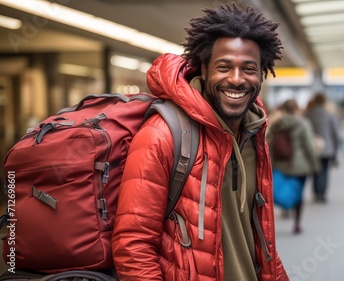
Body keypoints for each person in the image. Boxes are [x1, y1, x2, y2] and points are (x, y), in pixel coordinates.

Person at [112, 4, 289, 280]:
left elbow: (258, 237)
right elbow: (133, 246)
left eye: (249, 68)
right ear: (204, 70)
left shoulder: (254, 136)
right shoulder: (163, 135)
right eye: (224, 67)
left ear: (262, 74)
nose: (236, 79)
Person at [268, 99, 320, 234]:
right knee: (299, 193)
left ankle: (286, 208)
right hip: (300, 166)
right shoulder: (303, 123)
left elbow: (269, 145)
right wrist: (314, 165)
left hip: (281, 164)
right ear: (296, 109)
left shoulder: (275, 124)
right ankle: (297, 223)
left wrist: (271, 164)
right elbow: (308, 146)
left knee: (282, 186)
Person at [305, 93, 340, 203]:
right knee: (324, 171)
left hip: (313, 148)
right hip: (327, 148)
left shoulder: (308, 114)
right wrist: (336, 149)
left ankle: (316, 192)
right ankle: (322, 193)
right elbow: (335, 134)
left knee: (315, 170)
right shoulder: (330, 115)